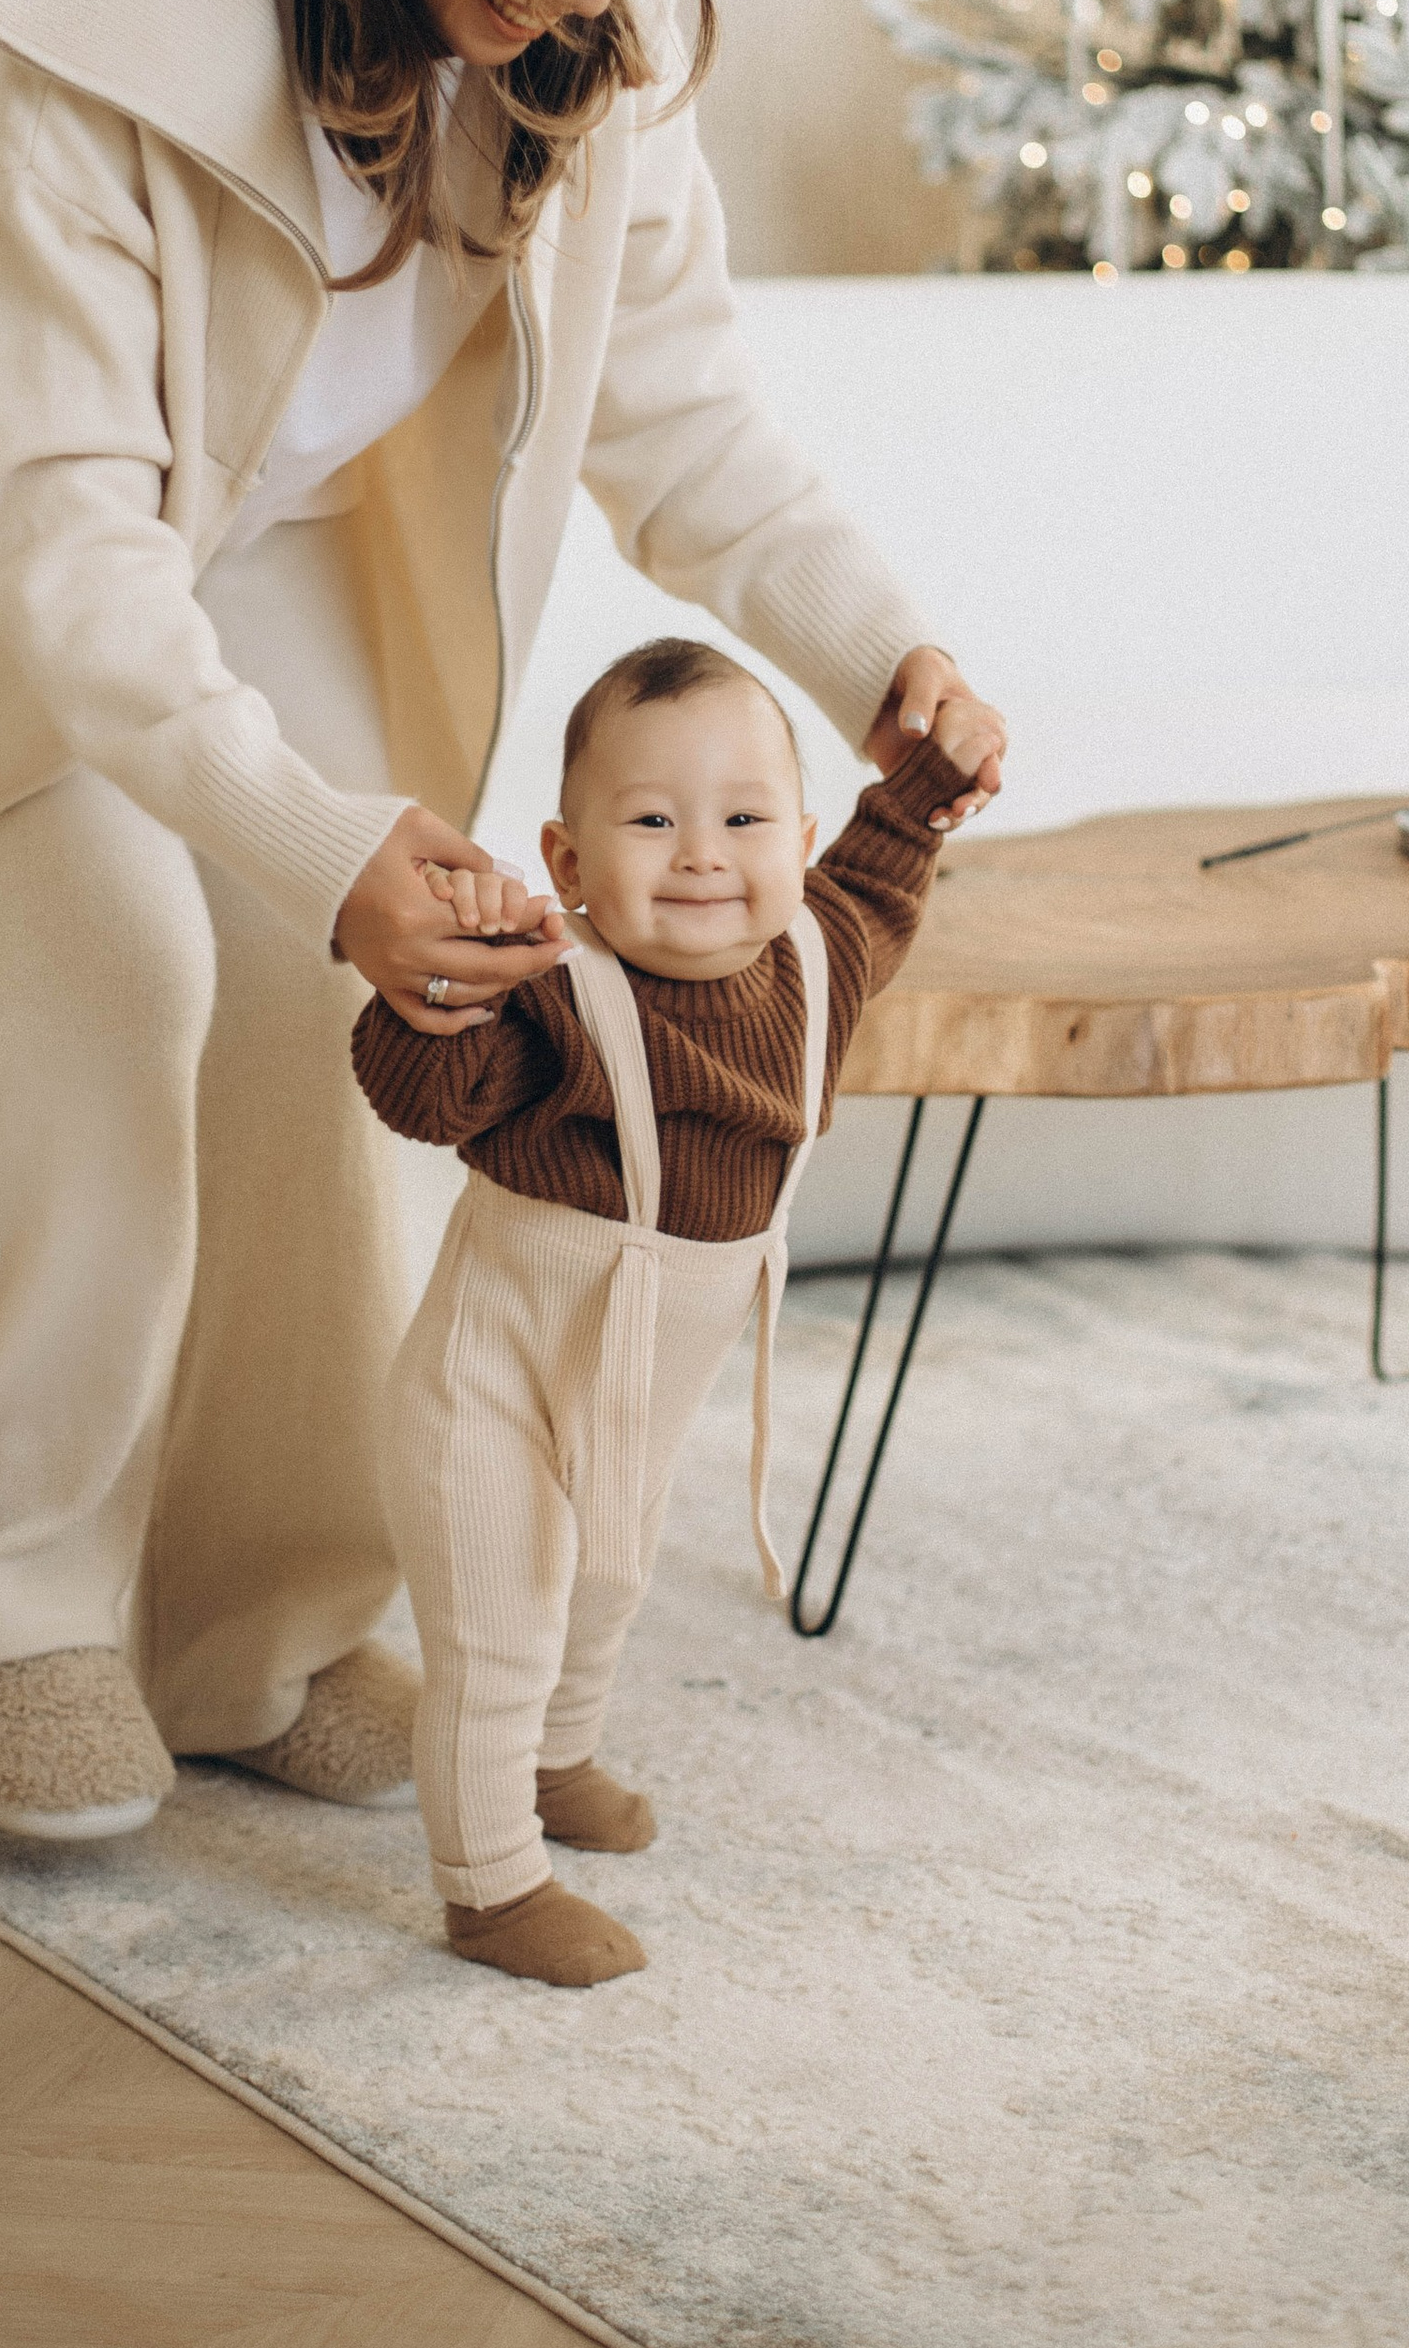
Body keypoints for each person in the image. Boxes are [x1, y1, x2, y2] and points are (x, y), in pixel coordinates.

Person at [0, 0, 1008, 1842]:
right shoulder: (95, 9)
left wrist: (879, 650)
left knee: (361, 1045)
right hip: (1, 521)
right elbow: (60, 539)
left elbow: (686, 419)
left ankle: (250, 1628)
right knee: (114, 986)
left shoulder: (589, 43)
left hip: (288, 531)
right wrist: (317, 852)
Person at [354, 633, 998, 1985]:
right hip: (496, 1381)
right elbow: (427, 1100)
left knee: (612, 1575)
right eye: (651, 821)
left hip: (641, 1379)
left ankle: (558, 1758)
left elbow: (886, 867)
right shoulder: (553, 1004)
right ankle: (488, 1885)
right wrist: (437, 990)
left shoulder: (823, 952)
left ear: (800, 837)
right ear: (571, 865)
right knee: (502, 1616)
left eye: (746, 819)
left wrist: (939, 777)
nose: (703, 852)